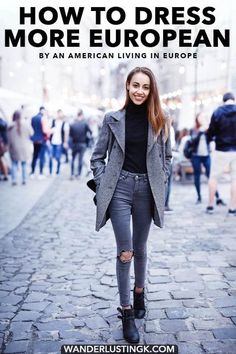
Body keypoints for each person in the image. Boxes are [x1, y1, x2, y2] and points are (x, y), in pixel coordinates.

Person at [90, 67, 172, 343]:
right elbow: (97, 157)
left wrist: (161, 179)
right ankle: (126, 311)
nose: (139, 91)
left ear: (151, 91)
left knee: (140, 248)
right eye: (135, 85)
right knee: (125, 251)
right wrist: (104, 185)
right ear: (127, 86)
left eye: (145, 87)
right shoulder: (112, 119)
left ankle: (140, 293)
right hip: (120, 190)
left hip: (147, 191)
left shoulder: (160, 120)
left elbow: (167, 158)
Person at [206, 92, 236, 215]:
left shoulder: (217, 112)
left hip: (221, 149)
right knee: (235, 179)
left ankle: (210, 205)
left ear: (224, 101)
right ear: (233, 100)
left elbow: (211, 131)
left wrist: (210, 141)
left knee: (213, 177)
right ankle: (232, 208)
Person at [190, 113, 224, 204]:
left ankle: (218, 197)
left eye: (203, 117)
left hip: (206, 155)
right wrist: (200, 132)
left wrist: (208, 131)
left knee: (211, 175)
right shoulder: (194, 129)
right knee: (197, 176)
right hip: (196, 156)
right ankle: (199, 197)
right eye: (200, 117)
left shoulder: (207, 129)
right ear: (197, 119)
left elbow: (212, 139)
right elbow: (193, 141)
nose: (202, 119)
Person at [7, 111, 33, 185]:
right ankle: (24, 179)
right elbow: (32, 133)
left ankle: (14, 180)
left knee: (14, 164)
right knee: (24, 164)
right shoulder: (26, 124)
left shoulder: (10, 126)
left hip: (13, 147)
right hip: (24, 147)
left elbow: (8, 137)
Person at [69, 109, 92, 179]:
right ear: (82, 115)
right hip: (83, 144)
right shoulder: (85, 124)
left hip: (74, 144)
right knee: (80, 159)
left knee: (73, 159)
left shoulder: (72, 124)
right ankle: (78, 174)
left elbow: (70, 135)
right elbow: (90, 132)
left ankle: (72, 174)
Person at [30, 106, 50, 179]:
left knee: (34, 156)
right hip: (42, 140)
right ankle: (41, 173)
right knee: (42, 157)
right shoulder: (43, 118)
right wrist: (48, 135)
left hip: (35, 140)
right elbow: (45, 131)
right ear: (43, 111)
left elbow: (31, 129)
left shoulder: (33, 118)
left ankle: (32, 172)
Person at [49, 109, 69, 175]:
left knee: (58, 157)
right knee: (50, 157)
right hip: (52, 142)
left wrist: (65, 142)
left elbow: (66, 133)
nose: (59, 115)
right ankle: (50, 171)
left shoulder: (64, 123)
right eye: (58, 113)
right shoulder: (53, 121)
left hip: (59, 142)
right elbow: (49, 130)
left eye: (61, 114)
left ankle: (57, 171)